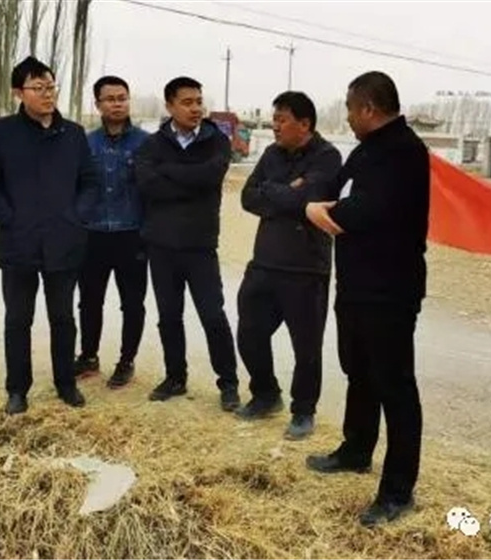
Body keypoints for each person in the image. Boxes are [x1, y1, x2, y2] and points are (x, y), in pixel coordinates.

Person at [304, 71, 430, 527]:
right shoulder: (366, 150)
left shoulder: (403, 152)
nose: (348, 117)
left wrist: (319, 210)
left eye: (350, 108)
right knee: (359, 371)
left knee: (395, 386)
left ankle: (397, 491)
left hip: (390, 290)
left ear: (368, 109)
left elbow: (363, 211)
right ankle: (356, 449)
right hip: (357, 284)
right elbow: (335, 189)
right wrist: (318, 203)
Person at [0, 56, 98, 415]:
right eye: (38, 87)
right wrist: (8, 219)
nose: (47, 94)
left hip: (64, 241)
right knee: (18, 320)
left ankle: (66, 383)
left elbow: (89, 182)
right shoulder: (1, 132)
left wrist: (77, 216)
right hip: (19, 242)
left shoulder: (73, 134)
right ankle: (17, 389)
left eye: (51, 86)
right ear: (19, 92)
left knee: (63, 318)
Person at [236, 91, 341, 440]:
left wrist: (273, 190)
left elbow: (312, 199)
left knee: (306, 347)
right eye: (274, 119)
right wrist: (290, 193)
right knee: (249, 334)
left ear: (305, 124)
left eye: (282, 120)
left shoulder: (327, 157)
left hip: (306, 268)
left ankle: (303, 410)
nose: (275, 126)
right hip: (265, 262)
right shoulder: (271, 154)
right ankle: (266, 394)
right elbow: (248, 197)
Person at [134, 76, 240, 411]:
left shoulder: (216, 140)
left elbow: (211, 177)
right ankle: (175, 377)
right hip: (161, 245)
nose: (196, 108)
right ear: (170, 106)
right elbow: (148, 186)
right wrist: (190, 180)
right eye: (187, 102)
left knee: (213, 315)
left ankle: (229, 382)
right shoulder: (152, 145)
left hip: (200, 245)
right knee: (169, 316)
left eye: (198, 101)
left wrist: (169, 171)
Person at [73, 76, 150, 389]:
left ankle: (126, 360)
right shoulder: (85, 144)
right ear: (98, 104)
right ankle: (88, 356)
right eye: (110, 99)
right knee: (89, 301)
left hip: (132, 234)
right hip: (92, 234)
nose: (117, 104)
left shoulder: (146, 143)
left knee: (132, 302)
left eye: (122, 98)